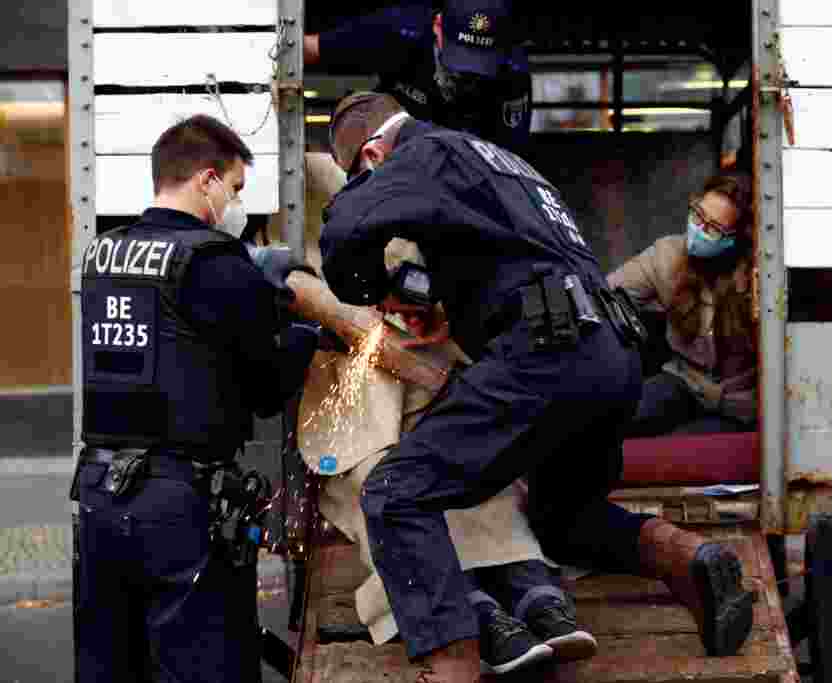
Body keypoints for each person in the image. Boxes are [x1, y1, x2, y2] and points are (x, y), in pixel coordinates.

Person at [318, 91, 754, 682]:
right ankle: (687, 558)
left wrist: (373, 284)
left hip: (546, 350)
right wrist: (431, 296)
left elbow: (346, 237)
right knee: (563, 518)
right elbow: (512, 260)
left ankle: (452, 668)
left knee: (396, 492)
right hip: (611, 356)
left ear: (372, 154)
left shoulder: (421, 155)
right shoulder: (500, 161)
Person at [294, 154, 596, 675]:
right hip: (358, 414)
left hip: (428, 397)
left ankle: (532, 594)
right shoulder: (308, 229)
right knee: (380, 488)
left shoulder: (409, 225)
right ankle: (477, 613)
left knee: (486, 486)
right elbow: (349, 321)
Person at [71, 114, 327, 682]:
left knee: (109, 666)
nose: (236, 203)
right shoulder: (212, 261)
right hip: (180, 504)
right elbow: (265, 388)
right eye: (235, 188)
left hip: (99, 495)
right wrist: (306, 339)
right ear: (206, 180)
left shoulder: (102, 256)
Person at [607, 174, 758, 437]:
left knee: (695, 448)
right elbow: (606, 294)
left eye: (713, 229)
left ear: (735, 238)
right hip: (684, 381)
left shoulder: (756, 273)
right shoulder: (666, 254)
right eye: (697, 215)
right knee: (617, 416)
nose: (699, 229)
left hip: (742, 401)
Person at [304, 0, 531, 155]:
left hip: (468, 161)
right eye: (461, 55)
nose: (465, 74)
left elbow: (511, 160)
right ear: (438, 26)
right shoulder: (398, 31)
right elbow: (311, 49)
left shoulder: (512, 72)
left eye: (479, 61)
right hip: (393, 147)